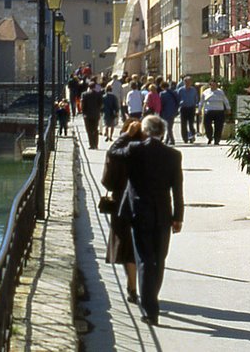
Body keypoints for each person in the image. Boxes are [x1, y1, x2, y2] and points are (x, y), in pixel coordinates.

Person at [109, 115, 184, 325]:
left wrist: (126, 134)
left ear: (145, 130)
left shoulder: (135, 148)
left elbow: (113, 152)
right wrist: (178, 217)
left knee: (143, 259)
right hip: (162, 214)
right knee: (159, 259)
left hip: (139, 212)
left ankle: (150, 309)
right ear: (162, 132)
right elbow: (178, 189)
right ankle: (152, 299)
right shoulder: (173, 154)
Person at [102, 119, 144, 305]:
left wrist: (126, 135)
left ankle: (132, 286)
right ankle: (137, 285)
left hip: (121, 202)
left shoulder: (119, 153)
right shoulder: (145, 150)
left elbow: (107, 181)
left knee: (126, 245)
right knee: (139, 246)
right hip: (142, 202)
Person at [201, 79, 231, 145]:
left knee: (219, 126)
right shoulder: (205, 92)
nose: (213, 86)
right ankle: (209, 137)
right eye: (212, 85)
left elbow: (225, 100)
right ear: (209, 85)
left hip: (219, 111)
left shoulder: (220, 92)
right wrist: (200, 109)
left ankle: (217, 139)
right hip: (208, 111)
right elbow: (202, 102)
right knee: (207, 125)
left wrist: (228, 108)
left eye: (215, 85)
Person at [80, 79, 104, 149]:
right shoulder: (98, 94)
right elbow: (101, 104)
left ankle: (91, 144)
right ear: (94, 87)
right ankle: (96, 144)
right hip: (96, 114)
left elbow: (82, 105)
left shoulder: (84, 94)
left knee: (89, 130)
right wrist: (98, 110)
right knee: (95, 129)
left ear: (88, 87)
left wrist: (83, 112)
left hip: (87, 115)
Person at [177, 76, 199, 143]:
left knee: (191, 124)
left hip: (191, 108)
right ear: (184, 82)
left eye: (189, 82)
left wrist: (196, 105)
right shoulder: (180, 90)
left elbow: (196, 98)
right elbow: (177, 98)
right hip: (183, 108)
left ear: (191, 82)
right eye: (186, 82)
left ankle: (192, 136)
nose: (187, 83)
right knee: (183, 124)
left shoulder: (193, 90)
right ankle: (185, 138)